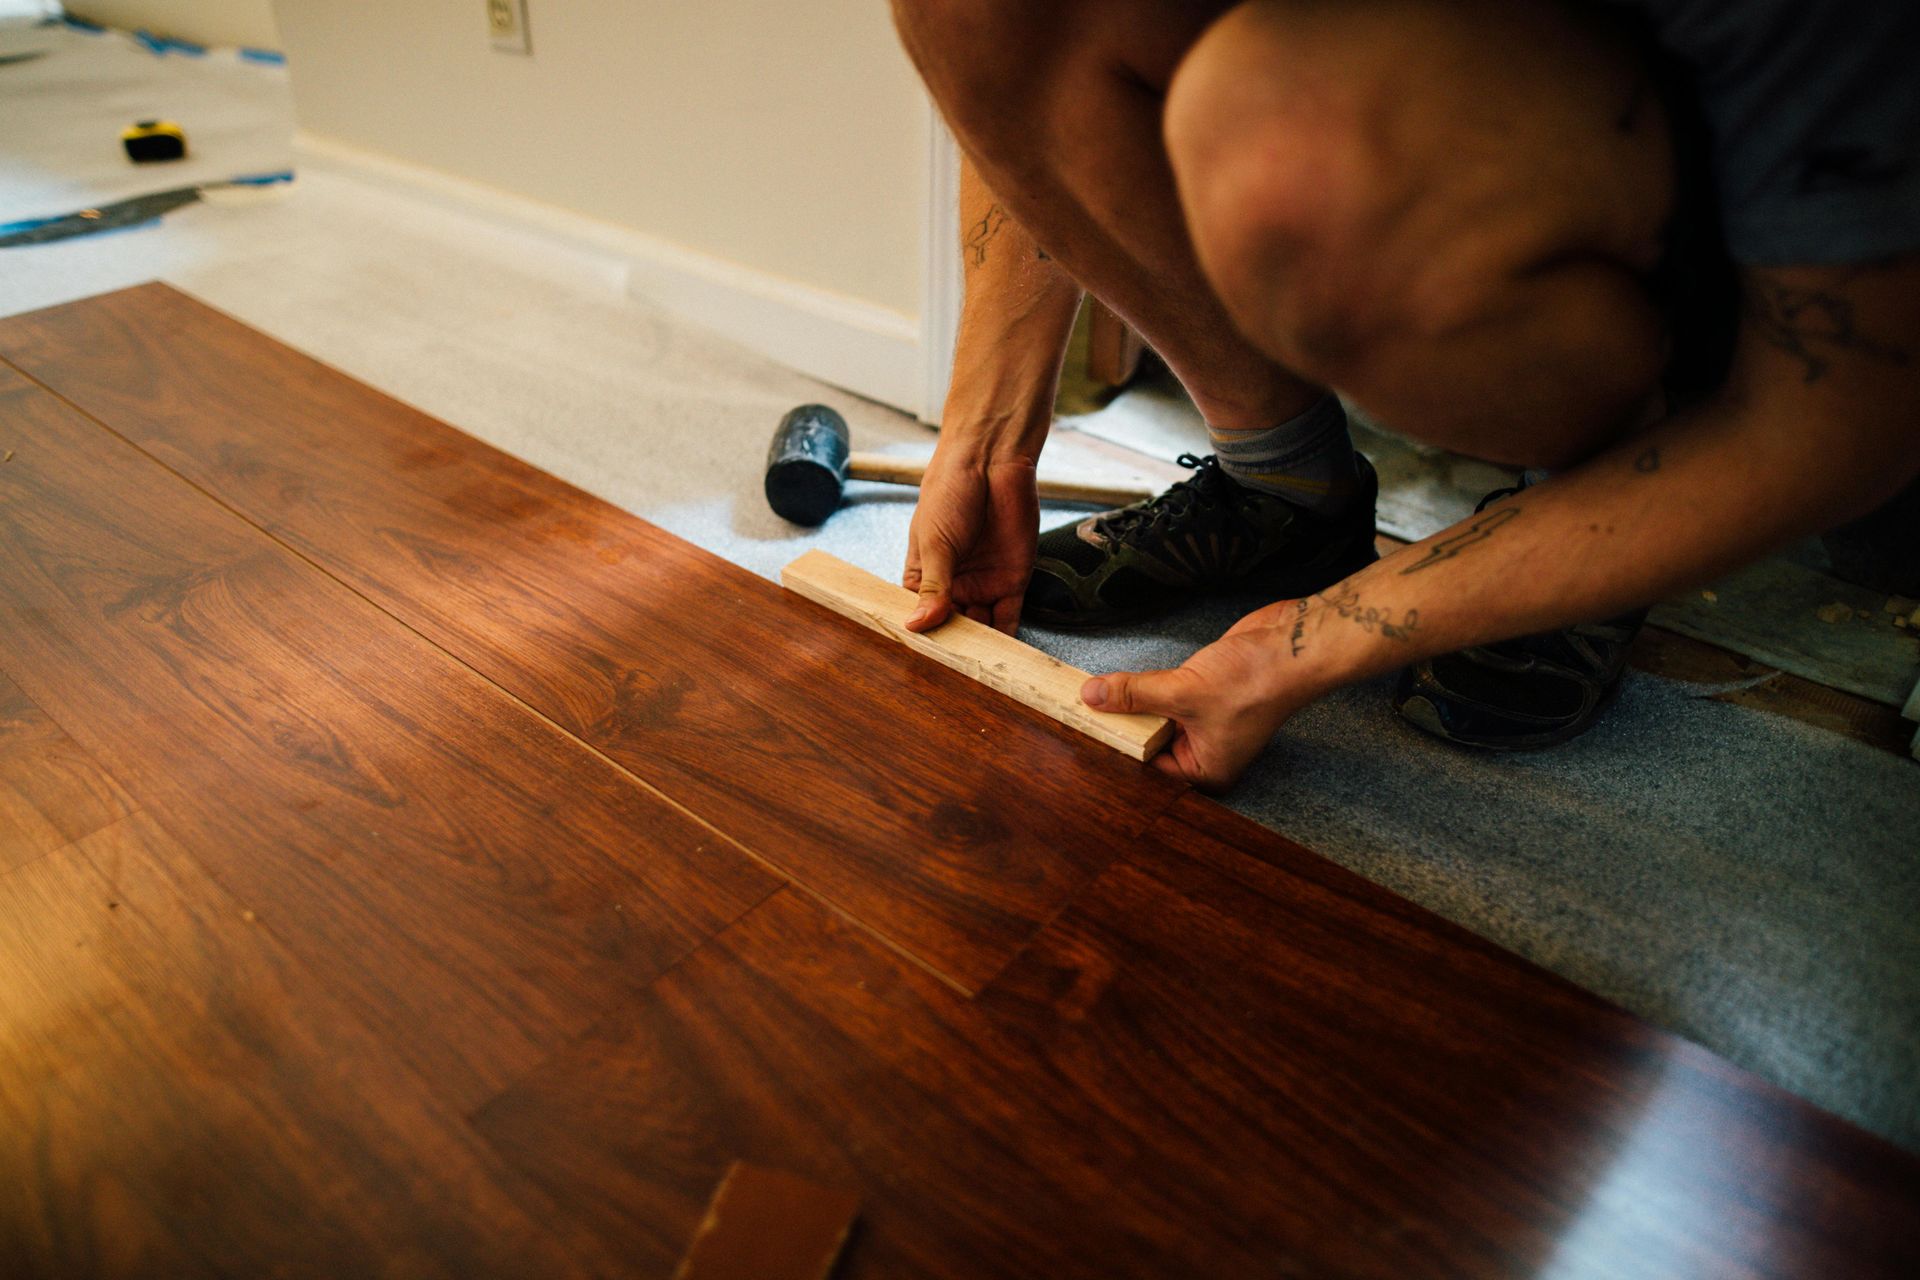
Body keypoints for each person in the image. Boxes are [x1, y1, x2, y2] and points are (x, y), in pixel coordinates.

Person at [887, 0, 1920, 789]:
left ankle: (1589, 493)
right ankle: (1283, 494)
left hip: (1725, 237)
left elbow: (1838, 422)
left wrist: (1311, 637)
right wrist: (984, 440)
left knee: (1283, 153)